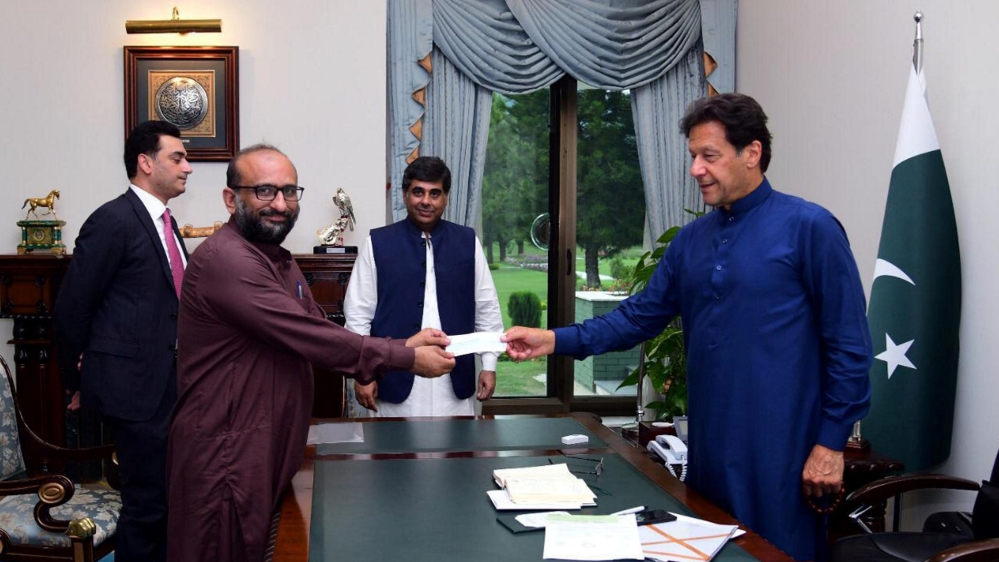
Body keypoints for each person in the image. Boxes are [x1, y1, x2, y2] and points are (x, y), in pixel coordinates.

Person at [504, 93, 872, 561]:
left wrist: (830, 444)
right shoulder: (691, 241)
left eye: (709, 156)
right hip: (710, 450)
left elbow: (849, 344)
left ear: (752, 153)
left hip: (785, 450)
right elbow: (639, 316)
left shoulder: (811, 228)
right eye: (693, 156)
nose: (696, 168)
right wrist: (553, 339)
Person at [165, 144, 455, 562]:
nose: (280, 204)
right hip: (227, 452)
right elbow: (307, 335)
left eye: (289, 191)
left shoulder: (277, 259)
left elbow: (319, 328)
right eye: (264, 191)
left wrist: (401, 344)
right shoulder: (227, 261)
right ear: (232, 199)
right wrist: (404, 357)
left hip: (266, 442)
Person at [54, 120, 192, 562]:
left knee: (169, 505)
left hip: (171, 387)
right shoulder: (112, 219)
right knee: (147, 508)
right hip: (135, 390)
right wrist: (75, 382)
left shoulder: (167, 224)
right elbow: (73, 307)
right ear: (145, 162)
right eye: (178, 157)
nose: (188, 166)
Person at [345, 156, 503, 416]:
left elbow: (487, 308)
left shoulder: (467, 242)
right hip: (393, 382)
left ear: (446, 198)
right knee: (393, 455)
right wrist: (363, 374)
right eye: (418, 192)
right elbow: (358, 315)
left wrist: (489, 364)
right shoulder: (378, 243)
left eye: (435, 193)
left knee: (456, 455)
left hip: (454, 384)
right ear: (406, 195)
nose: (426, 201)